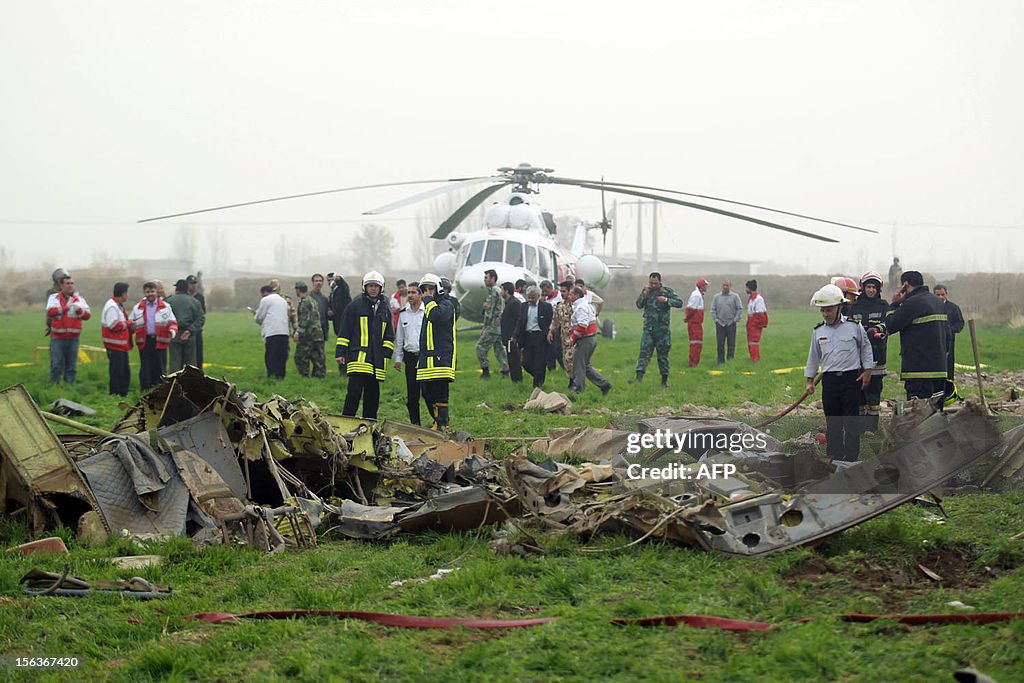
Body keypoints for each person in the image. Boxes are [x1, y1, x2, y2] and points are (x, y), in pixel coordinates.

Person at [805, 284, 874, 465]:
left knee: (851, 422)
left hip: (852, 380)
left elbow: (866, 348)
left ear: (839, 308)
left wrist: (867, 371)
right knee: (833, 422)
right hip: (830, 383)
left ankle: (851, 458)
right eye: (823, 311)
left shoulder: (854, 327)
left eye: (828, 310)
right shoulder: (818, 331)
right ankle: (834, 457)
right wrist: (809, 380)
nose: (825, 314)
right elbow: (813, 357)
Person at [882, 270, 949, 400]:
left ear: (905, 285)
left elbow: (890, 324)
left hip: (918, 372)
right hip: (940, 370)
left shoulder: (912, 303)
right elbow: (948, 334)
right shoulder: (938, 302)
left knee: (918, 414)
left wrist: (894, 303)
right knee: (936, 412)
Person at [336, 271, 394, 419]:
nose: (373, 289)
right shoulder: (355, 305)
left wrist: (386, 353)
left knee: (372, 397)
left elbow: (389, 334)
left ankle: (369, 425)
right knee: (354, 395)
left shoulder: (384, 308)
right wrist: (341, 352)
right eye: (370, 286)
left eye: (376, 286)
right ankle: (346, 422)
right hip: (358, 359)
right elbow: (345, 330)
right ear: (365, 287)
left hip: (376, 361)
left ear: (381, 288)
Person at [847, 271, 889, 433]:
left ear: (879, 289)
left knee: (874, 395)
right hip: (856, 359)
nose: (871, 290)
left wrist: (876, 330)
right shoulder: (854, 307)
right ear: (863, 288)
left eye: (874, 287)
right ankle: (858, 429)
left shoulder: (883, 306)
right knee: (859, 396)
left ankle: (871, 428)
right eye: (869, 287)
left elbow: (889, 323)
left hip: (877, 359)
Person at [417, 273, 457, 431]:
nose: (427, 292)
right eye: (424, 289)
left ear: (438, 289)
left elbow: (436, 316)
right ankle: (438, 420)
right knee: (426, 392)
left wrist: (428, 301)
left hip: (442, 358)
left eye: (431, 288)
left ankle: (442, 423)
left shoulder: (446, 304)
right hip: (427, 359)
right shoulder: (429, 305)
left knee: (440, 392)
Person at [632, 272, 683, 387]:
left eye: (655, 283)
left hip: (662, 331)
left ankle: (664, 381)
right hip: (648, 330)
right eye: (651, 282)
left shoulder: (667, 291)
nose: (653, 285)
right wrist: (645, 294)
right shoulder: (646, 291)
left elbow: (679, 303)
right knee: (644, 353)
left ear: (660, 281)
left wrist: (666, 300)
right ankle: (638, 378)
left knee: (663, 356)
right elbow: (639, 305)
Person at [131, 281, 178, 391]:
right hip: (144, 340)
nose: (150, 294)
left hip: (160, 341)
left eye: (152, 291)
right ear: (144, 293)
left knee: (160, 366)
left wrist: (172, 331)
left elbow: (173, 322)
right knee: (145, 366)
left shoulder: (165, 307)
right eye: (147, 292)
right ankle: (145, 389)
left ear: (157, 292)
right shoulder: (138, 308)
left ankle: (160, 389)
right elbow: (131, 322)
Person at [45, 274, 91, 384]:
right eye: (67, 283)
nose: (70, 286)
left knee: (71, 366)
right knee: (56, 365)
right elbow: (50, 312)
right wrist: (66, 308)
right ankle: (54, 385)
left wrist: (79, 310)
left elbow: (88, 316)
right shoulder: (54, 298)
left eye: (72, 283)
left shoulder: (79, 299)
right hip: (58, 338)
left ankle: (69, 386)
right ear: (61, 285)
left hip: (73, 338)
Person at [567, 286, 612, 395]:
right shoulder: (587, 304)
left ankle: (578, 390)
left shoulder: (581, 307)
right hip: (591, 338)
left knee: (578, 365)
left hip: (585, 339)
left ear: (577, 295)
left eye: (571, 294)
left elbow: (582, 325)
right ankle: (604, 384)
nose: (569, 296)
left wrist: (572, 339)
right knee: (585, 366)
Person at [393, 281, 427, 424]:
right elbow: (399, 337)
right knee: (412, 396)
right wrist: (398, 359)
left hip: (425, 358)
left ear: (421, 294)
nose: (410, 296)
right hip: (410, 358)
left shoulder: (427, 312)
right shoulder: (403, 314)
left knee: (428, 393)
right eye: (408, 293)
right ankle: (415, 424)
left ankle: (439, 423)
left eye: (413, 292)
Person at [934, 283, 965, 403]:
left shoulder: (953, 308)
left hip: (949, 343)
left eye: (943, 294)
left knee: (948, 366)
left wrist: (951, 330)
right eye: (938, 295)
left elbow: (960, 323)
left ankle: (948, 393)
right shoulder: (930, 307)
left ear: (946, 294)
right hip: (934, 342)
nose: (941, 297)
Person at [517, 285, 553, 388]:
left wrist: (547, 334)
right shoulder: (523, 306)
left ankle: (537, 386)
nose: (530, 300)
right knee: (526, 363)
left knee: (539, 362)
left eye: (533, 297)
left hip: (540, 337)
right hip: (527, 337)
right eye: (529, 297)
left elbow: (550, 323)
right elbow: (520, 322)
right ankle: (538, 376)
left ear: (538, 296)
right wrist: (515, 336)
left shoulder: (546, 307)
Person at [165, 279, 204, 373]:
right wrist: (190, 331)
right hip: (189, 334)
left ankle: (174, 385)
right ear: (187, 288)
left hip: (173, 334)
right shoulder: (194, 301)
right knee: (190, 365)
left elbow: (163, 318)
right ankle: (190, 385)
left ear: (176, 288)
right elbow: (200, 319)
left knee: (175, 363)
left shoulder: (168, 301)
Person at [252, 284, 291, 379]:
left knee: (271, 355)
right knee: (282, 356)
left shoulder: (265, 300)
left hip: (272, 332)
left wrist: (255, 315)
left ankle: (271, 374)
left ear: (263, 292)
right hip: (284, 331)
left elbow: (259, 317)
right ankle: (281, 375)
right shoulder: (283, 301)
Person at [101, 282, 132, 396]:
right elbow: (113, 325)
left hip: (121, 346)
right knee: (117, 372)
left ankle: (122, 393)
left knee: (124, 372)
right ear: (123, 293)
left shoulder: (117, 306)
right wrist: (128, 323)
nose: (127, 296)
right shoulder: (112, 306)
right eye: (127, 293)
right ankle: (115, 394)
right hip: (115, 346)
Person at [476, 269, 508, 378]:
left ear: (493, 278)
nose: (484, 280)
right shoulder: (496, 290)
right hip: (498, 327)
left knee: (480, 347)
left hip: (493, 327)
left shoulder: (494, 291)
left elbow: (492, 311)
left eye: (486, 277)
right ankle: (506, 370)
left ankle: (485, 372)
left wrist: (485, 327)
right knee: (499, 348)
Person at [293, 281, 326, 378]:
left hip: (308, 335)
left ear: (298, 289)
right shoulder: (312, 300)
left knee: (300, 356)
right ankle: (319, 377)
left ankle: (304, 376)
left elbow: (305, 319)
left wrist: (298, 332)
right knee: (318, 357)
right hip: (318, 334)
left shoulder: (305, 302)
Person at [548, 279, 575, 382]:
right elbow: (555, 321)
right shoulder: (560, 306)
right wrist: (550, 332)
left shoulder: (576, 305)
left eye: (564, 291)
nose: (562, 294)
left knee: (572, 360)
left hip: (575, 338)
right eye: (561, 291)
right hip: (564, 338)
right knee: (565, 360)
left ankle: (576, 382)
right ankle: (571, 380)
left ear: (570, 291)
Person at [711, 279, 743, 364]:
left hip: (731, 323)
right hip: (720, 324)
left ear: (730, 286)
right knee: (720, 344)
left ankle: (730, 361)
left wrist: (735, 319)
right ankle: (720, 361)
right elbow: (713, 309)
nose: (725, 287)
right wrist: (716, 320)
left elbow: (739, 309)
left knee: (731, 344)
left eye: (727, 285)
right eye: (724, 285)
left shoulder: (735, 297)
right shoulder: (716, 297)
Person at [500, 282, 523, 383]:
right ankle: (514, 379)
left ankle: (517, 379)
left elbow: (518, 320)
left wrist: (514, 335)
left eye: (502, 290)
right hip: (507, 337)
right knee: (510, 358)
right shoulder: (508, 302)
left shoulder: (514, 303)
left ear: (506, 291)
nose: (501, 292)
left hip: (512, 337)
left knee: (514, 359)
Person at [685, 278, 709, 367]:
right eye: (705, 286)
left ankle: (694, 362)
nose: (706, 287)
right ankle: (693, 363)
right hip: (695, 323)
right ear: (701, 286)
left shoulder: (698, 294)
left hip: (696, 323)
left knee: (696, 343)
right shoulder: (696, 295)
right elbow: (692, 309)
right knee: (696, 343)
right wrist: (687, 318)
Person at [744, 279, 769, 362]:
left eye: (746, 287)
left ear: (750, 288)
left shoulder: (758, 299)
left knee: (754, 342)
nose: (745, 289)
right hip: (751, 323)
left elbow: (760, 315)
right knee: (751, 343)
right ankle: (754, 358)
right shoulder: (751, 299)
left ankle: (755, 359)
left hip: (754, 324)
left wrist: (753, 324)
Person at [541, 280, 562, 371]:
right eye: (543, 291)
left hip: (560, 325)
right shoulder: (545, 299)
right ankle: (551, 367)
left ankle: (565, 365)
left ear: (551, 288)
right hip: (549, 326)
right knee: (549, 348)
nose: (545, 293)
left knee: (558, 348)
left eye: (546, 291)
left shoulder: (560, 296)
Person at [186, 274, 206, 369]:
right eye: (191, 283)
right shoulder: (184, 296)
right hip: (186, 329)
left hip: (197, 330)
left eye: (195, 283)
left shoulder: (199, 297)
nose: (193, 286)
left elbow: (203, 312)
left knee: (198, 353)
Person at [309, 273, 330, 341]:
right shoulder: (308, 298)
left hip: (322, 329)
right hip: (311, 330)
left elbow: (327, 316)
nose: (318, 283)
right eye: (316, 281)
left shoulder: (324, 299)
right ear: (313, 283)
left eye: (320, 281)